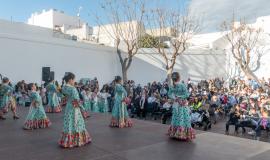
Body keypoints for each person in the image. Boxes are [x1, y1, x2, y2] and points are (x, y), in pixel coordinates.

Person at [59, 72, 91, 148]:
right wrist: (83, 109)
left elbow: (63, 97)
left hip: (68, 107)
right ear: (70, 80)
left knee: (68, 123)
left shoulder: (63, 88)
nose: (74, 81)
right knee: (77, 123)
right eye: (74, 80)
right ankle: (77, 140)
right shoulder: (73, 89)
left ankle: (67, 140)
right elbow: (77, 100)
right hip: (74, 108)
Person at [167, 72, 195, 141]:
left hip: (176, 104)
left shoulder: (171, 86)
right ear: (179, 78)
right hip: (182, 105)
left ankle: (175, 133)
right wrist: (179, 97)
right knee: (183, 118)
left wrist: (174, 97)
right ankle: (182, 134)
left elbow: (169, 94)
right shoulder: (182, 85)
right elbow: (187, 94)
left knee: (175, 118)